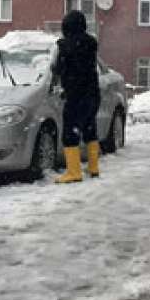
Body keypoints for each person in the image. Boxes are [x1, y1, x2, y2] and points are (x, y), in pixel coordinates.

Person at [53, 10, 101, 183]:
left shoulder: (65, 46)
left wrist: (61, 49)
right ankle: (94, 167)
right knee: (89, 128)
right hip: (92, 94)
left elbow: (58, 69)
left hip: (76, 95)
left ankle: (74, 172)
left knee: (70, 133)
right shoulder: (91, 43)